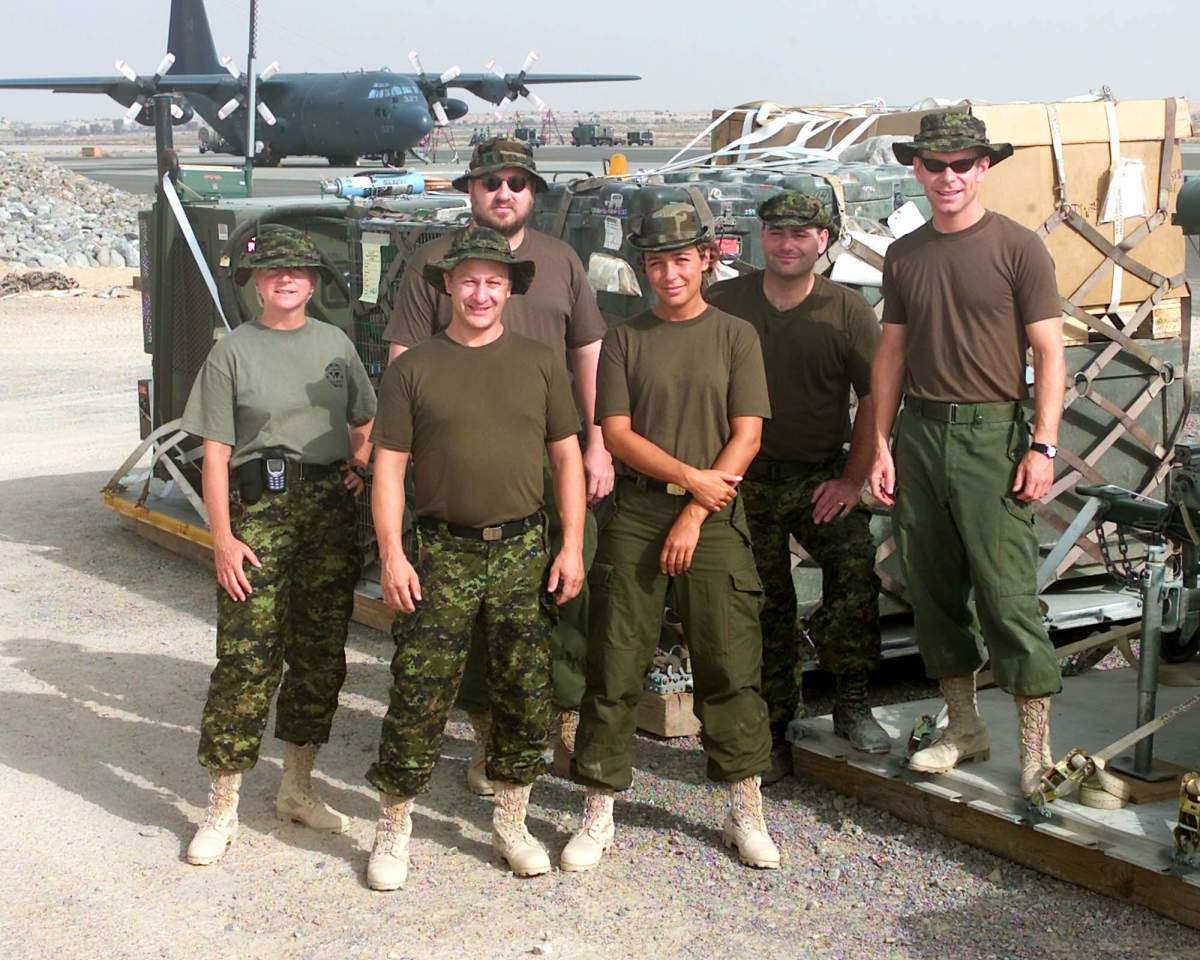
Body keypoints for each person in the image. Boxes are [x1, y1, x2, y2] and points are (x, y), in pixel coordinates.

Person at [383, 136, 611, 795]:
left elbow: (588, 354)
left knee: (564, 591)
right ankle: (487, 736)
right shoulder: (433, 262)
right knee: (470, 609)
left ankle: (558, 726)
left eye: (517, 182)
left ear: (533, 193)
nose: (503, 192)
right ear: (470, 192)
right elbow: (403, 357)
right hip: (462, 459)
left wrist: (596, 444)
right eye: (490, 182)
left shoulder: (561, 261)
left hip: (551, 455)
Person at [366, 226, 586, 890]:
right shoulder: (414, 368)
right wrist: (391, 557)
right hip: (441, 554)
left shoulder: (542, 362)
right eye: (468, 281)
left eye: (494, 281)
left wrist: (572, 544)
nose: (480, 293)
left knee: (525, 692)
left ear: (511, 289)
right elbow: (388, 469)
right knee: (419, 693)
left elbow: (568, 458)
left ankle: (511, 822)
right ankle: (394, 826)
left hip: (523, 550)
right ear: (448, 287)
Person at [563, 201, 780, 873]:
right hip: (637, 511)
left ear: (707, 260)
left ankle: (746, 808)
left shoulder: (736, 336)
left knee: (728, 660)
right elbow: (619, 433)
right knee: (615, 658)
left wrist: (695, 508)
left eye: (681, 259)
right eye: (656, 263)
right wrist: (690, 480)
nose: (669, 274)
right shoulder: (627, 338)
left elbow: (748, 432)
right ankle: (598, 807)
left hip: (712, 515)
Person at [869, 113, 1066, 794]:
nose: (947, 177)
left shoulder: (1018, 248)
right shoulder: (906, 255)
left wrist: (1043, 445)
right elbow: (891, 351)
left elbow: (1048, 351)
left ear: (983, 167)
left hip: (995, 437)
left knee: (1007, 595)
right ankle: (965, 728)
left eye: (961, 164)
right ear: (916, 170)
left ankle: (1036, 752)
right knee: (933, 591)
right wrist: (880, 444)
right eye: (933, 164)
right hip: (920, 434)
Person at [180, 226, 376, 865]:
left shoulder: (336, 344)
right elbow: (214, 452)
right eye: (274, 273)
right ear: (257, 283)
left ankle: (297, 786)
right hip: (259, 511)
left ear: (313, 283)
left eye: (298, 273)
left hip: (328, 512)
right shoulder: (232, 352)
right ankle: (222, 806)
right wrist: (222, 539)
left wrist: (359, 464)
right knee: (245, 658)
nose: (286, 281)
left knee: (319, 654)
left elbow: (365, 420)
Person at [707, 190, 888, 779]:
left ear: (824, 242)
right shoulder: (726, 302)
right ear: (762, 239)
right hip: (744, 479)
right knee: (765, 604)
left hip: (819, 477)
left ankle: (851, 699)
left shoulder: (847, 311)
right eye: (777, 233)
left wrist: (851, 478)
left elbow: (879, 400)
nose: (788, 245)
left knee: (856, 568)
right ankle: (777, 725)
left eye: (802, 234)